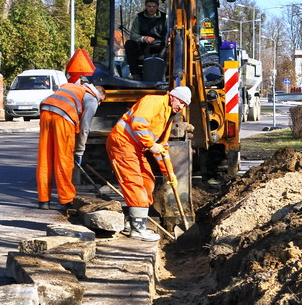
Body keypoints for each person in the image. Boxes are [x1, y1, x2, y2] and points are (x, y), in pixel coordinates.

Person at [106, 86, 192, 241]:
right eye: (180, 102)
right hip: (122, 143)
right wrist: (152, 145)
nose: (181, 106)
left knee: (148, 181)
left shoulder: (168, 116)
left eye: (185, 105)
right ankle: (138, 230)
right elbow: (137, 125)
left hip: (137, 148)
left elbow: (162, 149)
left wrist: (169, 172)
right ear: (172, 96)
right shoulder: (154, 101)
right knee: (134, 183)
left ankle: (131, 221)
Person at [36, 82, 107, 210]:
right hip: (63, 117)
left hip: (46, 112)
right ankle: (66, 200)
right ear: (99, 95)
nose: (99, 104)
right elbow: (85, 128)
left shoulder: (75, 88)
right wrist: (79, 151)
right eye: (101, 101)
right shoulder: (92, 98)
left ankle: (43, 200)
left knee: (45, 158)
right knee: (63, 160)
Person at [125, 0, 167, 80]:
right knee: (129, 44)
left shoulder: (164, 18)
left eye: (153, 6)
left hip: (161, 45)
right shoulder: (139, 18)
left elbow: (169, 32)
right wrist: (144, 38)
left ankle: (167, 74)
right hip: (143, 46)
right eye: (149, 6)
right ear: (146, 6)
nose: (151, 8)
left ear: (157, 6)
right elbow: (133, 35)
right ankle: (135, 74)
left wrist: (169, 39)